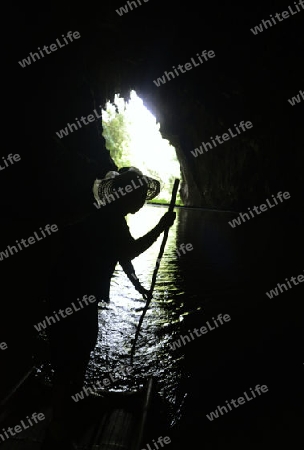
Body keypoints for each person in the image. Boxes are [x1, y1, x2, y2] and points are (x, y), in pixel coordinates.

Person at [43, 167, 176, 447]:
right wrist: (161, 227)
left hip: (70, 294)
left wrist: (137, 284)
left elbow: (119, 254)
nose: (141, 203)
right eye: (139, 197)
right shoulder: (110, 221)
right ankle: (60, 423)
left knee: (76, 349)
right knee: (74, 352)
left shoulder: (110, 219)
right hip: (73, 296)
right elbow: (128, 250)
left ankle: (69, 405)